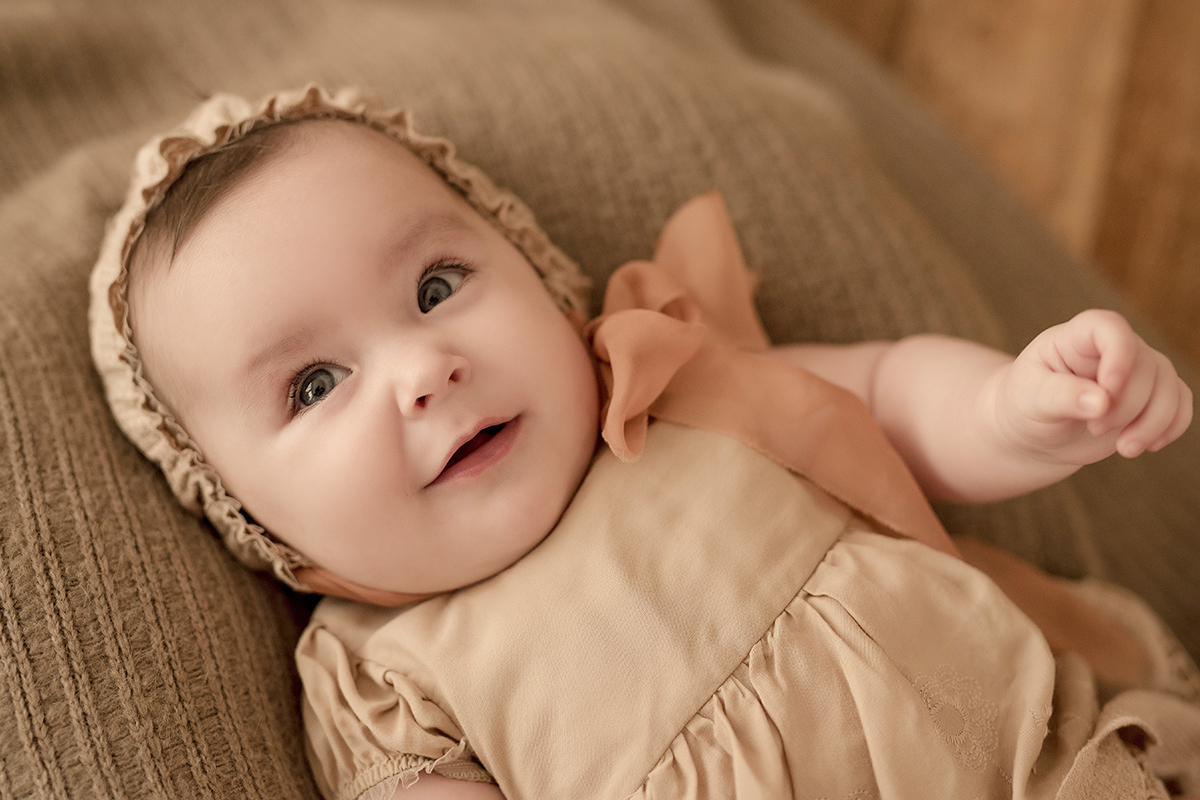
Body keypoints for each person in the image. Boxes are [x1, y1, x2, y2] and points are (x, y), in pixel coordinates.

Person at [91, 86, 1200, 799]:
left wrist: (1020, 406)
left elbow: (896, 397)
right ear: (248, 514)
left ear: (535, 268)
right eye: (316, 382)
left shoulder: (675, 377)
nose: (425, 369)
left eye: (438, 285)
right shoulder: (381, 675)